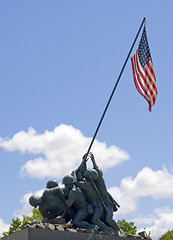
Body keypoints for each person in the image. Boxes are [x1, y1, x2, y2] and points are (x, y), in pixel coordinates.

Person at [89, 153, 120, 235]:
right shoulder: (92, 184)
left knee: (108, 219)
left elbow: (97, 172)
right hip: (100, 205)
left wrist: (93, 161)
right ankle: (106, 229)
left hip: (108, 204)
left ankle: (118, 231)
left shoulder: (101, 184)